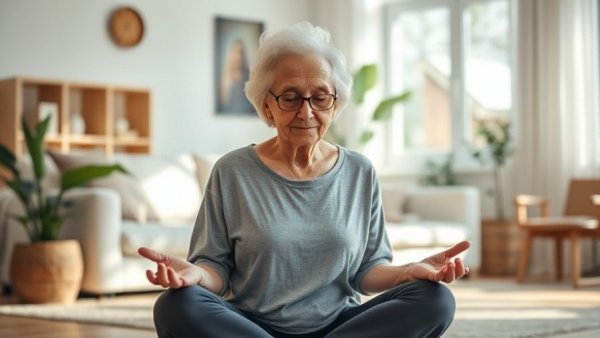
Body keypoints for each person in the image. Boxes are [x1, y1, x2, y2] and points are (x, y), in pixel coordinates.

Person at [138, 21, 470, 338]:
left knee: (435, 300)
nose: (307, 112)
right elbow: (216, 270)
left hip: (340, 328)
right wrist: (196, 274)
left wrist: (409, 271)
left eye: (320, 96)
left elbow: (368, 271)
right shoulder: (232, 171)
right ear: (268, 104)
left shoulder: (359, 171)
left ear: (335, 102)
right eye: (291, 96)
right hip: (253, 328)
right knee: (176, 305)